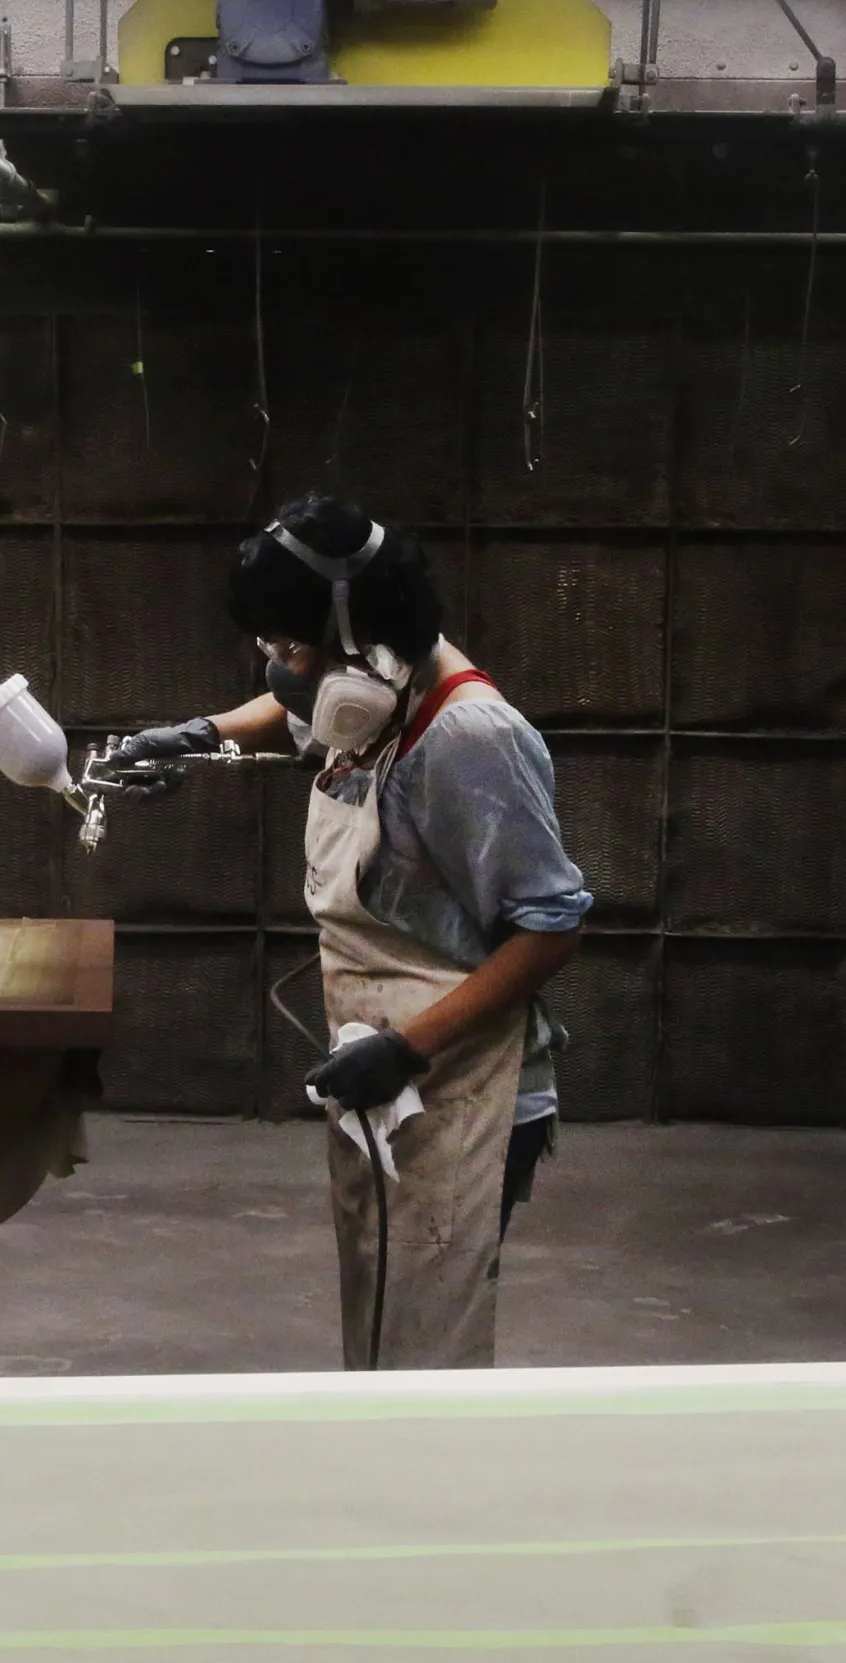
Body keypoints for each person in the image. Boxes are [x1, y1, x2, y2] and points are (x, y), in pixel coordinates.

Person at [112, 495, 589, 1370]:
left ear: (362, 649)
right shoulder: (371, 694)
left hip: (462, 1081)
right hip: (381, 1081)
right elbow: (294, 711)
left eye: (293, 649)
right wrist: (192, 738)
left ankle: (427, 1503)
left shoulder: (469, 740)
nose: (284, 673)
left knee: (430, 1345)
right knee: (380, 1324)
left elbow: (551, 930)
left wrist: (409, 1049)